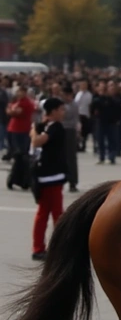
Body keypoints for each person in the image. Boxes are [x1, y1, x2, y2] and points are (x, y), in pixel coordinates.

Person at [29, 97, 68, 261]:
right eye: (60, 109)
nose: (63, 112)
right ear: (52, 111)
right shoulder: (55, 127)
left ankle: (41, 247)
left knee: (47, 213)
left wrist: (34, 129)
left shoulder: (48, 126)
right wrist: (33, 131)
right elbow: (37, 142)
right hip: (50, 177)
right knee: (55, 214)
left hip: (48, 175)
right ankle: (54, 248)